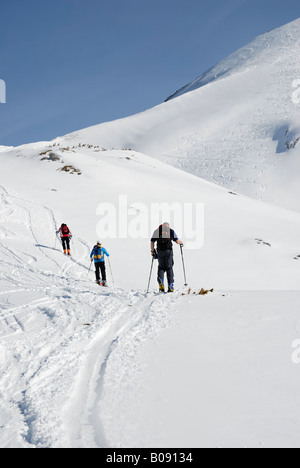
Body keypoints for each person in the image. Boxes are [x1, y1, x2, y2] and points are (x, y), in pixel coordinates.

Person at [150, 222, 183, 293]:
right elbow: (177, 241)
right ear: (168, 226)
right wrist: (181, 243)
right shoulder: (171, 231)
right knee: (169, 267)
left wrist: (152, 251)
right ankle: (170, 285)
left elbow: (152, 242)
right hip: (169, 251)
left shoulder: (157, 231)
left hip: (160, 252)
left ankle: (161, 279)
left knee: (161, 267)